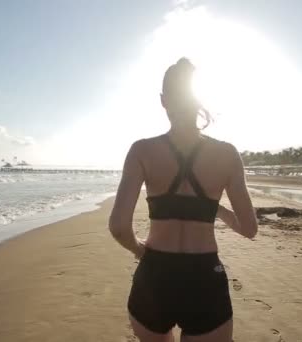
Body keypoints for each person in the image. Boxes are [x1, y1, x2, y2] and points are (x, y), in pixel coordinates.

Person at [109, 57, 258, 342]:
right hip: (204, 277)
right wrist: (215, 208)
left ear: (163, 101)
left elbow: (118, 226)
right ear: (199, 99)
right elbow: (249, 229)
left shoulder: (142, 151)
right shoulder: (227, 154)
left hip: (153, 274)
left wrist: (140, 250)